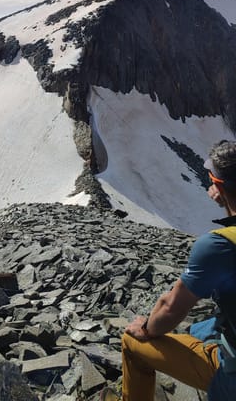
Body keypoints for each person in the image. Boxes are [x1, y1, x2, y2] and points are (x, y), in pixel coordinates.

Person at [100, 140, 236, 401]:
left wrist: (147, 328)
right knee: (198, 330)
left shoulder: (218, 246)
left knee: (133, 344)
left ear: (217, 185)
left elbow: (171, 307)